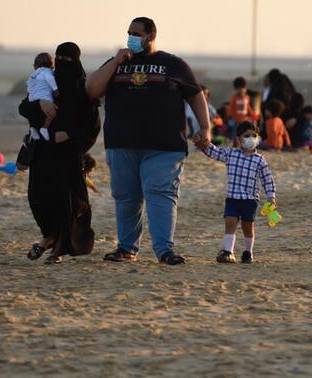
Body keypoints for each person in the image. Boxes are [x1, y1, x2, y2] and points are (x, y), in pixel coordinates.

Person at [85, 17, 209, 265]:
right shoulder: (117, 62)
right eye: (129, 33)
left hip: (164, 146)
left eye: (136, 33)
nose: (131, 37)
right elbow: (92, 90)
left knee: (160, 196)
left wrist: (205, 127)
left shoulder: (172, 64)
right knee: (126, 197)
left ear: (151, 36)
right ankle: (126, 248)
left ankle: (165, 250)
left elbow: (195, 95)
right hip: (121, 143)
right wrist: (115, 62)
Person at [20, 42, 101, 264]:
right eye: (59, 59)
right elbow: (24, 107)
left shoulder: (83, 89)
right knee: (38, 199)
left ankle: (58, 250)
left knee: (67, 203)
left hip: (68, 157)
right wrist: (41, 105)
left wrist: (70, 135)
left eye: (67, 60)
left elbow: (92, 126)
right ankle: (49, 237)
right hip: (42, 154)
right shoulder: (46, 82)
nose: (62, 64)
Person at [197, 121, 276, 264]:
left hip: (250, 200)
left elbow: (267, 179)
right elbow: (215, 152)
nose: (251, 139)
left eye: (254, 136)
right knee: (230, 223)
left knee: (247, 226)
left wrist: (271, 197)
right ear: (238, 139)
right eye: (247, 136)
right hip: (232, 198)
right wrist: (204, 145)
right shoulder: (231, 153)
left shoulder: (260, 160)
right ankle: (228, 251)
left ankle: (248, 252)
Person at [26, 52, 59, 141]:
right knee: (52, 112)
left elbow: (30, 85)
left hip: (32, 97)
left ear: (35, 66)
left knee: (32, 114)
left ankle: (33, 127)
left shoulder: (34, 75)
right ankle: (44, 128)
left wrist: (30, 95)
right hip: (45, 98)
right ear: (52, 66)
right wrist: (56, 90)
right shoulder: (48, 72)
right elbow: (50, 80)